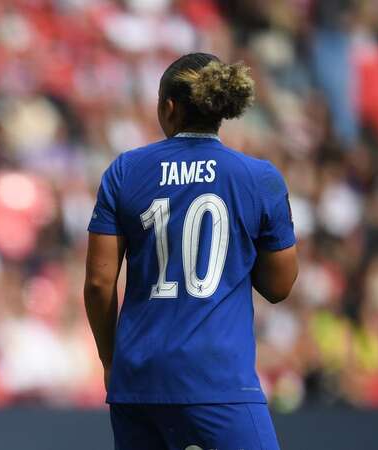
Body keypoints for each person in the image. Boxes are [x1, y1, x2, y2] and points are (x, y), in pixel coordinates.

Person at [84, 53, 298, 450]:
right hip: (219, 381)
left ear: (169, 107)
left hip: (139, 382)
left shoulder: (125, 170)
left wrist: (110, 361)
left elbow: (99, 283)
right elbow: (279, 286)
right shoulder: (258, 177)